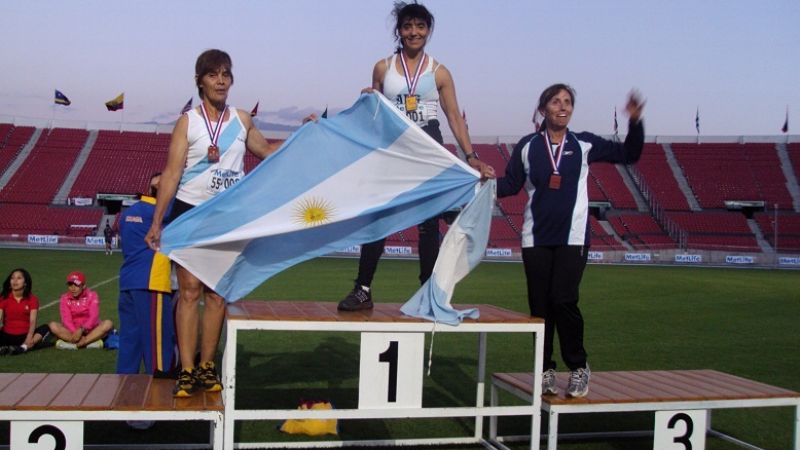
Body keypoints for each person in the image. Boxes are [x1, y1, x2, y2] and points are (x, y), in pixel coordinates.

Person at [145, 49, 315, 397]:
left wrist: (303, 136)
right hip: (190, 212)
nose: (221, 80)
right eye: (213, 75)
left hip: (228, 218)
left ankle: (208, 367)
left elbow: (267, 151)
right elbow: (173, 173)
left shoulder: (241, 119)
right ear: (200, 81)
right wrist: (157, 221)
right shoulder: (187, 122)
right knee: (190, 293)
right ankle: (187, 369)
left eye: (226, 74)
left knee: (218, 294)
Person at [338, 1, 495, 311]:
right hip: (394, 148)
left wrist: (471, 155)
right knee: (379, 217)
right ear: (399, 31)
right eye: (408, 26)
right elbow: (376, 114)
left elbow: (453, 115)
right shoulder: (383, 68)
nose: (414, 32)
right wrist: (366, 102)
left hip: (427, 145)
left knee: (428, 223)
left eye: (420, 27)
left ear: (428, 31)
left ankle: (429, 292)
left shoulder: (440, 72)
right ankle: (363, 289)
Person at [497, 84, 644, 397]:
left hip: (573, 238)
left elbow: (630, 154)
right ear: (543, 109)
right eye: (555, 101)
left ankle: (578, 366)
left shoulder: (584, 143)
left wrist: (635, 121)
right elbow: (509, 185)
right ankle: (545, 369)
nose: (562, 107)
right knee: (540, 308)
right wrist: (479, 179)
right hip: (535, 238)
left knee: (563, 300)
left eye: (567, 102)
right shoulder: (527, 146)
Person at [118, 172, 175, 378]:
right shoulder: (162, 212)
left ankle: (125, 388)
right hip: (152, 280)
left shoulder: (129, 212)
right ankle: (160, 390)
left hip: (128, 280)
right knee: (158, 340)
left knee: (129, 340)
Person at [49, 271, 114, 350]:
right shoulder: (64, 298)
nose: (73, 288)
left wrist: (82, 330)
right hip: (73, 332)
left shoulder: (92, 295)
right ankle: (89, 343)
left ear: (83, 286)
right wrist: (76, 332)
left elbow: (93, 317)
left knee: (108, 324)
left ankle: (76, 344)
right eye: (70, 285)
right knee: (53, 326)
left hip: (91, 330)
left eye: (76, 285)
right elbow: (66, 320)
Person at [0, 268, 51, 356]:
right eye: (12, 278)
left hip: (24, 336)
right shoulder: (3, 298)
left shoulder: (32, 299)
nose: (15, 281)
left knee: (46, 328)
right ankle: (24, 347)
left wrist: (28, 338)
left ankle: (23, 347)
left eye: (19, 278)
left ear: (25, 283)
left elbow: (32, 322)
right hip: (7, 335)